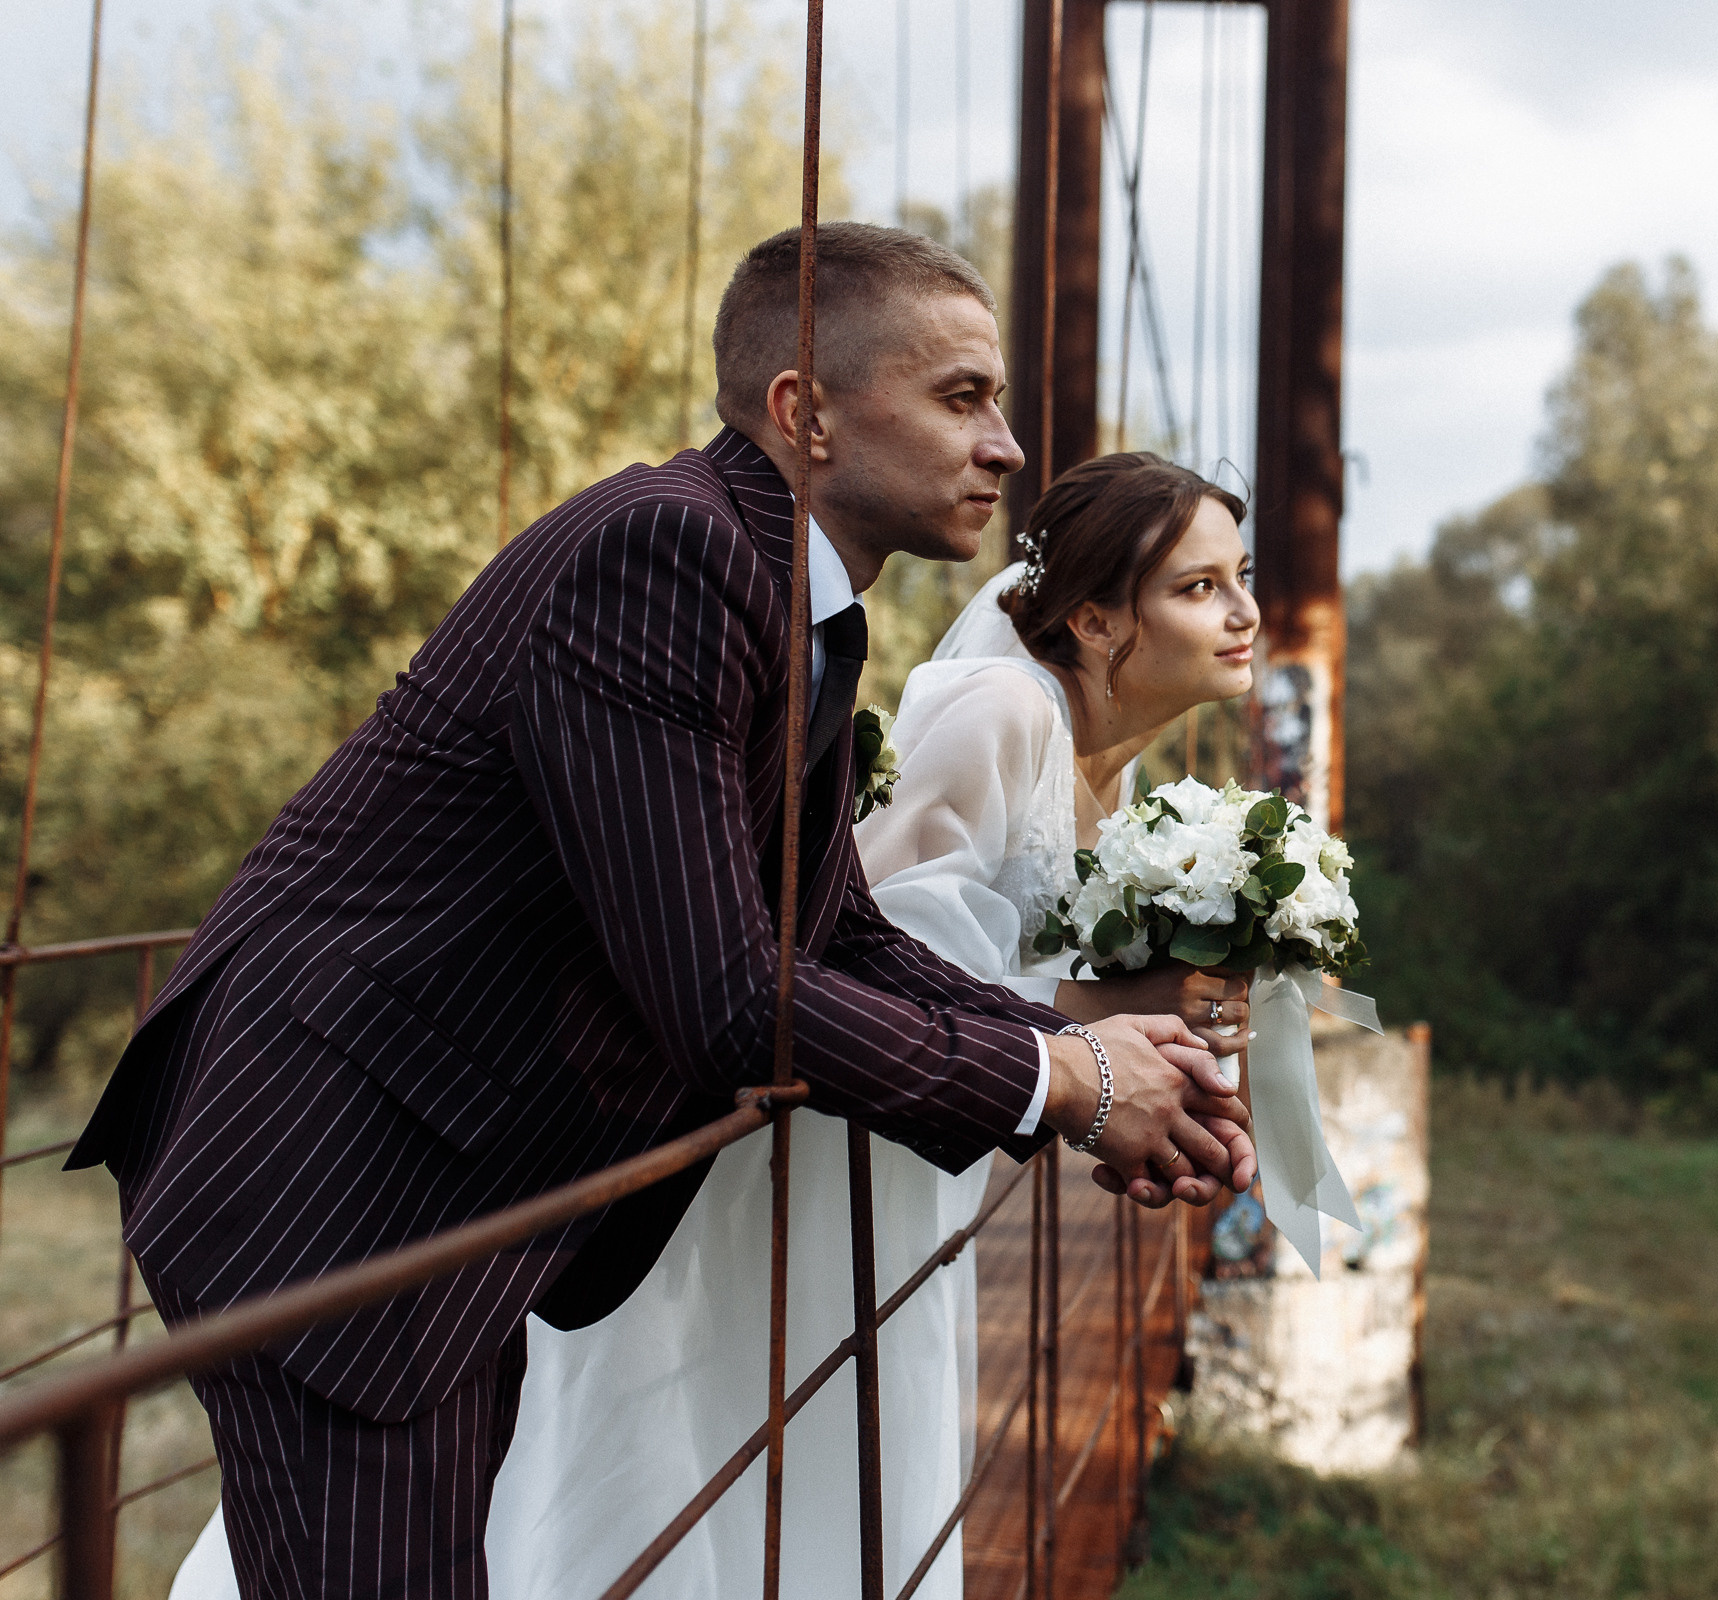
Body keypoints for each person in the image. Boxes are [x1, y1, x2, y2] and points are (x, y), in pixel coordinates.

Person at [79, 220, 1252, 1600]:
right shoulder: (667, 557)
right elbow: (725, 998)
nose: (1005, 446)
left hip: (441, 1166)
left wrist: (1103, 1064)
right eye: (961, 398)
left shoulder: (802, 608)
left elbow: (838, 935)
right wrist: (1054, 1080)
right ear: (803, 410)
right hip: (333, 1172)